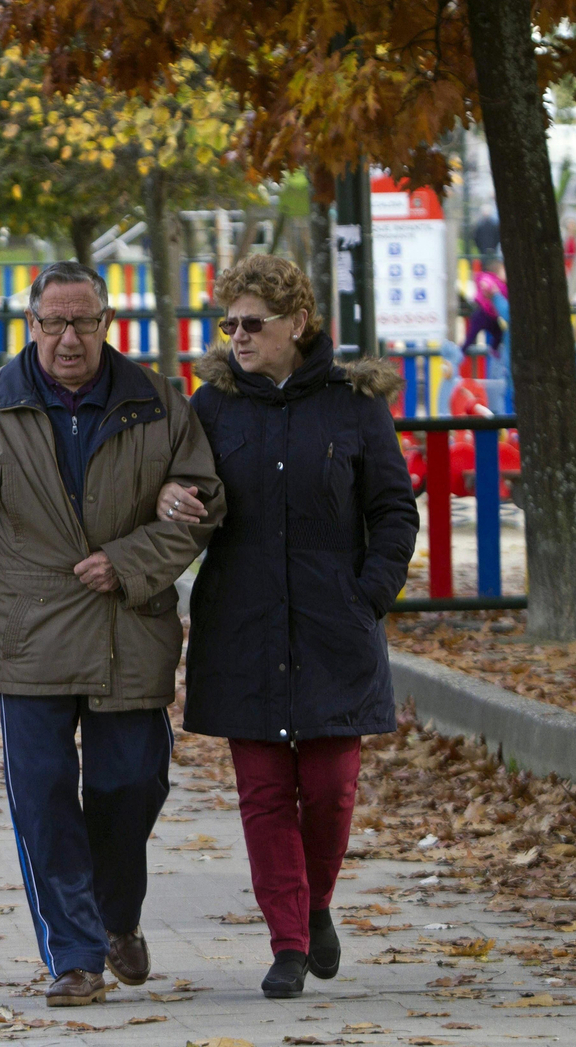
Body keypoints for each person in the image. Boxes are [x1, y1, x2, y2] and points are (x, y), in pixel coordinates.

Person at [0, 261, 223, 1008]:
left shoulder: (157, 402)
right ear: (30, 325)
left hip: (130, 632)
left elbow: (204, 506)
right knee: (45, 801)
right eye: (53, 322)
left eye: (84, 321)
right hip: (33, 639)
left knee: (130, 785)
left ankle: (116, 916)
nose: (69, 338)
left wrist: (128, 562)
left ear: (107, 322)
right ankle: (77, 956)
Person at [158, 254, 418, 1000]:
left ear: (297, 324)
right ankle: (288, 944)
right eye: (229, 323)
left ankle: (315, 903)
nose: (237, 337)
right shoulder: (213, 406)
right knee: (264, 792)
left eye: (253, 324)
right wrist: (174, 496)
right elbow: (183, 487)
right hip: (243, 619)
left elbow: (394, 510)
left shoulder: (353, 403)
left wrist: (369, 592)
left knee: (331, 788)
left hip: (335, 623)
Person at [465, 257, 507, 353]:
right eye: (503, 270)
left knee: (498, 335)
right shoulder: (493, 279)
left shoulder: (503, 285)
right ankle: (461, 352)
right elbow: (486, 281)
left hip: (491, 315)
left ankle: (494, 351)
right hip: (484, 312)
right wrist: (488, 287)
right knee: (471, 336)